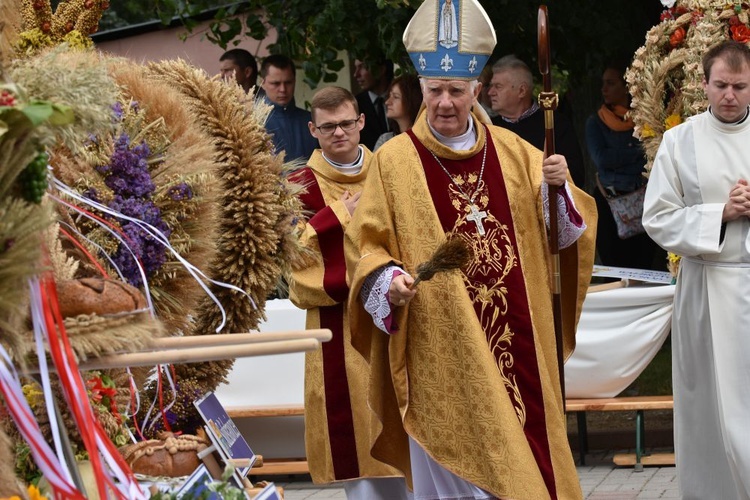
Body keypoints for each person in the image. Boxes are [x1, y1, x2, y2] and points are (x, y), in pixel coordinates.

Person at [344, 0, 597, 498]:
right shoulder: (393, 161)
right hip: (441, 342)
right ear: (421, 89)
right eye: (434, 90)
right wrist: (388, 284)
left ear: (476, 91)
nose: (444, 102)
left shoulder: (514, 151)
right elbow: (367, 247)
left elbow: (562, 238)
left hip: (518, 339)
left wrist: (558, 189)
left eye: (456, 91)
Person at [287, 86, 412, 499]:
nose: (338, 133)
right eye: (327, 127)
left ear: (361, 122)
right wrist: (340, 214)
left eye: (345, 123)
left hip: (401, 315)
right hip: (337, 325)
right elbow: (294, 264)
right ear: (313, 130)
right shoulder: (298, 186)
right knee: (357, 433)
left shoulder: (392, 167)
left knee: (409, 428)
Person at [642, 40, 750, 500]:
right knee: (708, 413)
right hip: (705, 288)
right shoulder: (680, 140)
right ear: (703, 85)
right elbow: (658, 217)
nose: (730, 95)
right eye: (721, 85)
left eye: (740, 86)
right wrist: (719, 213)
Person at [586, 60, 661, 269]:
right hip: (610, 202)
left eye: (611, 83)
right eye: (603, 83)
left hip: (642, 201)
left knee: (643, 266)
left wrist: (623, 158)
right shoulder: (596, 122)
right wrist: (636, 152)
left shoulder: (642, 119)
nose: (604, 89)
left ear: (626, 86)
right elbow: (602, 160)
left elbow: (651, 156)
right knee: (615, 267)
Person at [488, 55, 586, 188]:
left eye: (498, 86)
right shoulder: (488, 127)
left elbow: (576, 175)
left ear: (521, 91)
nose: (490, 92)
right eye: (491, 86)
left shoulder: (554, 124)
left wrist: (560, 173)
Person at [261, 54, 318, 163]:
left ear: (295, 81)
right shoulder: (252, 123)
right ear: (262, 83)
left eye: (288, 82)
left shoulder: (311, 120)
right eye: (275, 83)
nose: (282, 89)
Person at [373, 73, 422, 151]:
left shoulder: (426, 140)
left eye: (395, 97)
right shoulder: (385, 140)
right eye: (389, 96)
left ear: (412, 101)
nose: (387, 102)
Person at [353, 58, 393, 150]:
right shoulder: (354, 105)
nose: (356, 74)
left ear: (381, 69)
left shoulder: (404, 101)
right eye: (356, 67)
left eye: (362, 67)